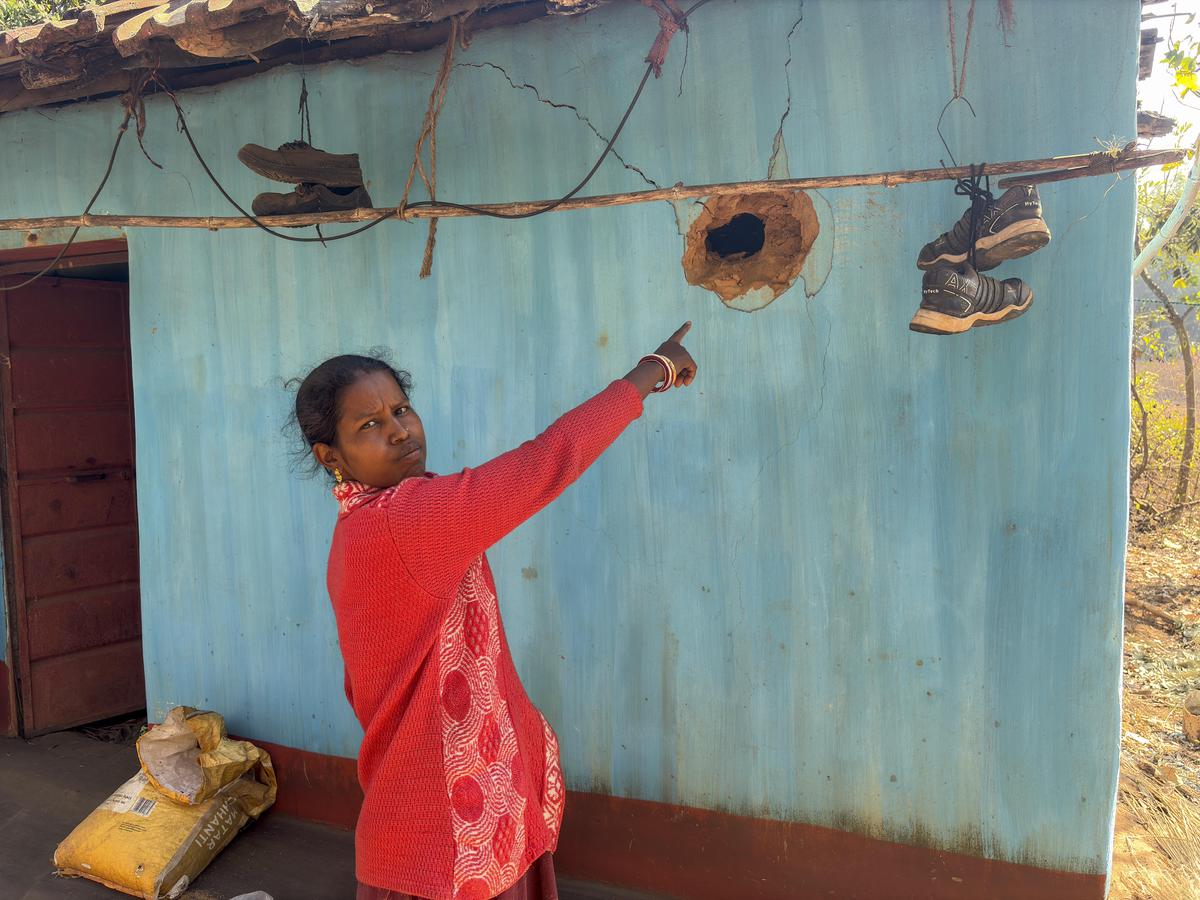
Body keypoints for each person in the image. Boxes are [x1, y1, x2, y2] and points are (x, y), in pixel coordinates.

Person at [291, 324, 699, 900]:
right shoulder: (402, 521)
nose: (400, 430)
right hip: (447, 830)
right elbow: (544, 464)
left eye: (402, 409)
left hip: (455, 807)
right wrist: (651, 371)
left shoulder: (368, 524)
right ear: (330, 456)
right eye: (370, 425)